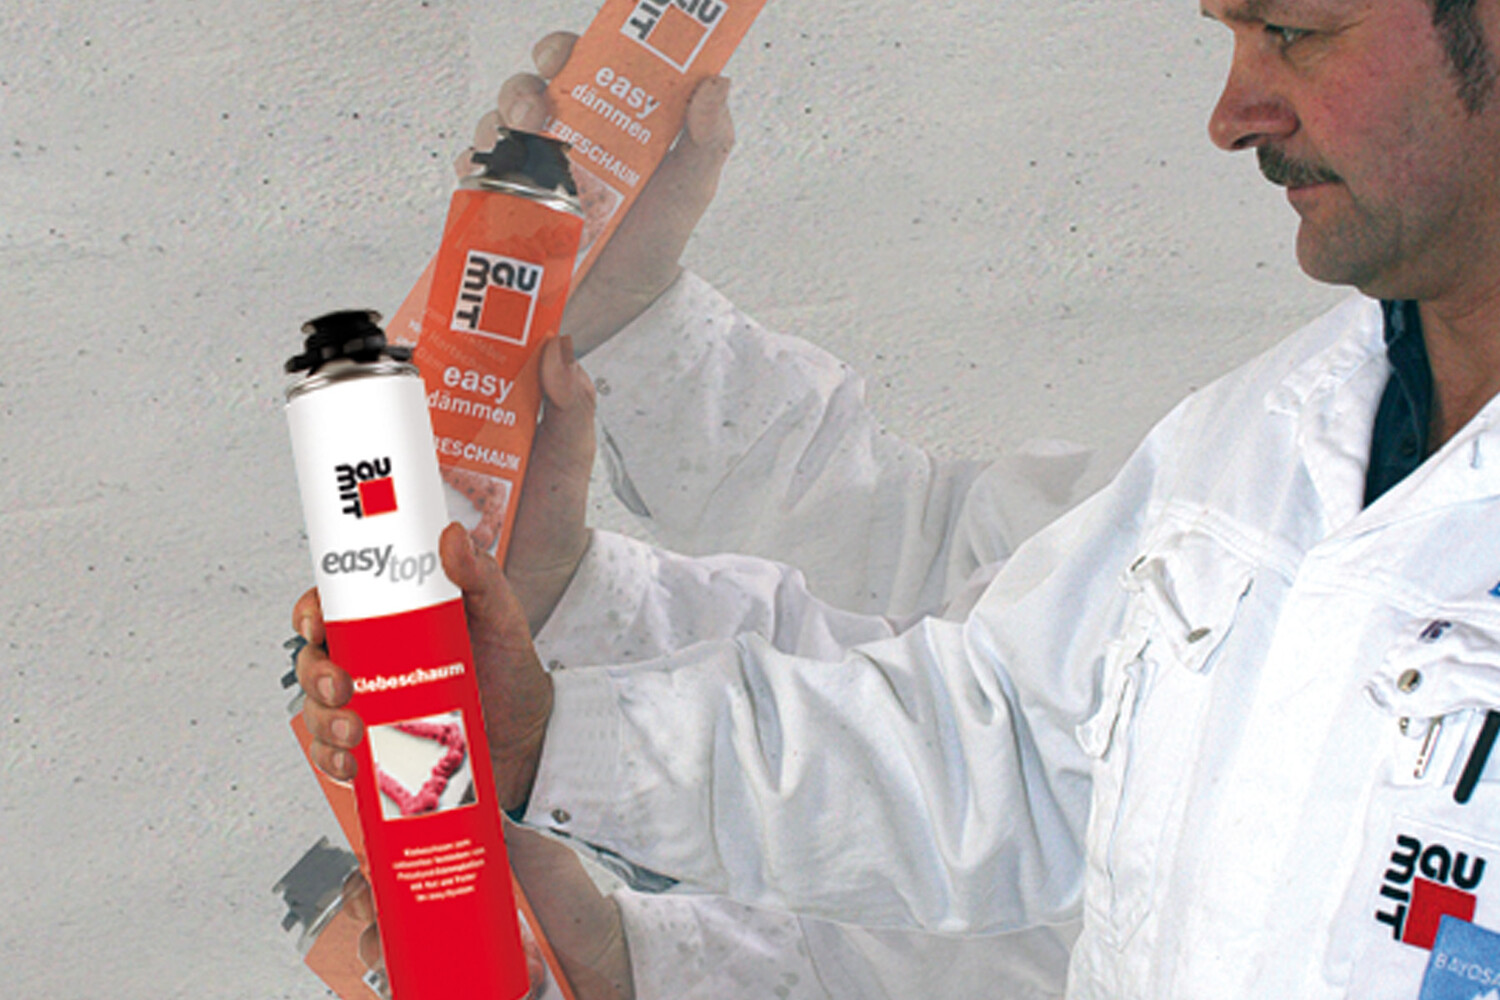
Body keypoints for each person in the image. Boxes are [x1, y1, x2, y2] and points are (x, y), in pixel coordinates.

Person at [299, 0, 1500, 995]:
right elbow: (1000, 740)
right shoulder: (1262, 441)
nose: (1232, 115)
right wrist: (559, 730)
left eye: (1294, 31)